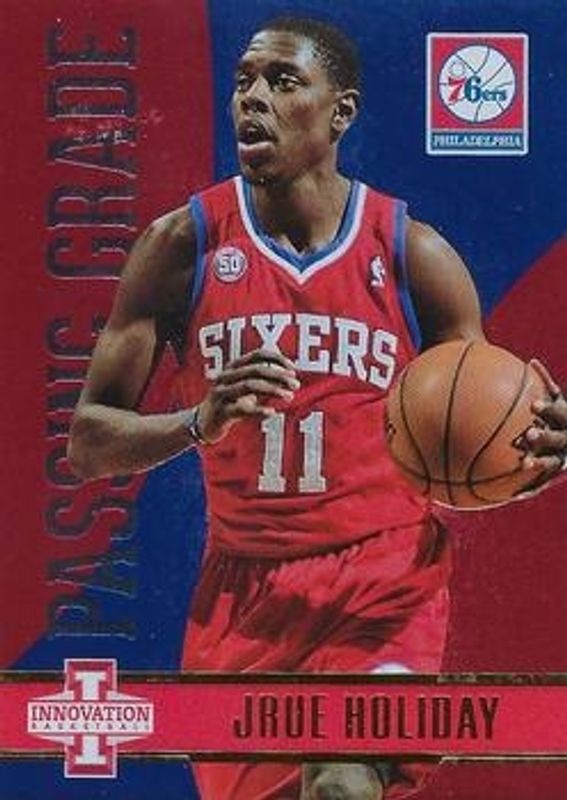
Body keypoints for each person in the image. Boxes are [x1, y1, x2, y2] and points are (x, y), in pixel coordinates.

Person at [68, 15, 567, 800]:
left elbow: (479, 430)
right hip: (243, 597)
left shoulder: (412, 253)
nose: (252, 98)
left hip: (384, 578)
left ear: (341, 113)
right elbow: (89, 441)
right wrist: (196, 422)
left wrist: (536, 453)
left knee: (341, 781)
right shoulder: (179, 248)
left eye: (282, 81)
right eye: (243, 81)